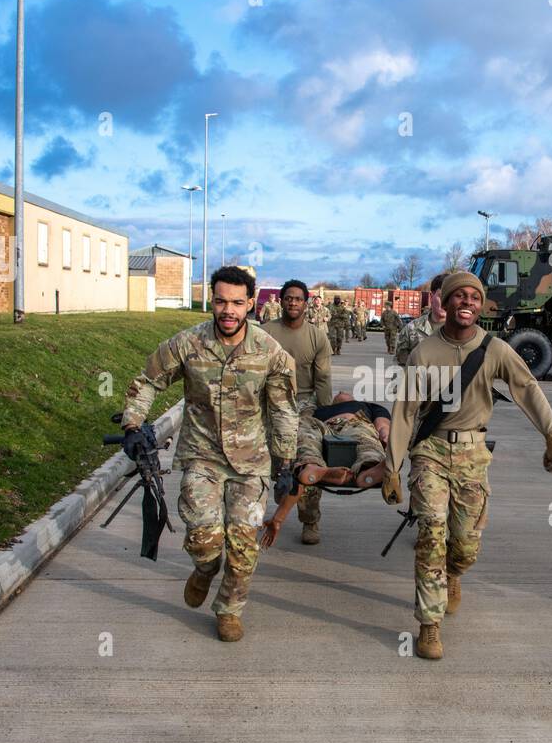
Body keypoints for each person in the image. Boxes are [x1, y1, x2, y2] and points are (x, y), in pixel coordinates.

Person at [380, 271, 552, 659]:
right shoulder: (424, 353)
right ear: (446, 302)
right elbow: (404, 413)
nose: (466, 302)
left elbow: (526, 389)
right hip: (431, 452)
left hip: (473, 453)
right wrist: (392, 466)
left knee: (466, 544)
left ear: (479, 304)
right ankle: (429, 625)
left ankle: (454, 574)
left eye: (474, 296)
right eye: (459, 296)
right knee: (431, 535)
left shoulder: (496, 350)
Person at [120, 266, 298, 643]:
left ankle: (229, 609)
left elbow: (283, 410)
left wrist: (286, 463)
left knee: (244, 544)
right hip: (202, 457)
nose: (228, 311)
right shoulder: (188, 344)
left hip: (251, 463)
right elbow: (149, 380)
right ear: (212, 302)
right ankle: (204, 569)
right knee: (204, 540)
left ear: (251, 303)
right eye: (220, 301)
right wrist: (133, 425)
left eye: (237, 302)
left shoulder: (270, 352)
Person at [260, 393, 389, 547]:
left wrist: (386, 436)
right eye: (338, 394)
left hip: (354, 422)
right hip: (319, 425)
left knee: (366, 441)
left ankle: (369, 467)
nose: (341, 394)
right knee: (305, 436)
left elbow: (383, 426)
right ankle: (313, 465)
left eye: (344, 393)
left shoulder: (368, 406)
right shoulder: (317, 409)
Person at [261, 279, 334, 545]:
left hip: (306, 405)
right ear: (281, 301)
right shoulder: (265, 333)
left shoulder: (317, 336)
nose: (293, 302)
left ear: (306, 303)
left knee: (307, 462)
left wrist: (324, 412)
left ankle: (310, 519)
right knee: (278, 466)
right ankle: (282, 497)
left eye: (298, 299)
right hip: (272, 406)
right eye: (288, 298)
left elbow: (323, 377)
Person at [395, 274, 446, 366]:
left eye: (450, 297)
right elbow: (401, 367)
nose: (445, 302)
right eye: (441, 296)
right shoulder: (411, 330)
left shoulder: (463, 332)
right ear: (431, 297)